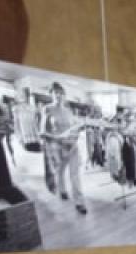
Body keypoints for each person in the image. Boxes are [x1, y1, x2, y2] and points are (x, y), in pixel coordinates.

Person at [40, 81, 87, 215]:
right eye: (56, 93)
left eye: (61, 93)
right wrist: (58, 138)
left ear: (64, 95)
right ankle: (62, 190)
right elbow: (42, 132)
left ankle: (79, 202)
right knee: (60, 171)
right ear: (51, 94)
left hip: (72, 146)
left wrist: (77, 132)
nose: (59, 96)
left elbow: (74, 128)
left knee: (75, 175)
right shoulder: (47, 109)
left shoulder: (69, 111)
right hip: (58, 147)